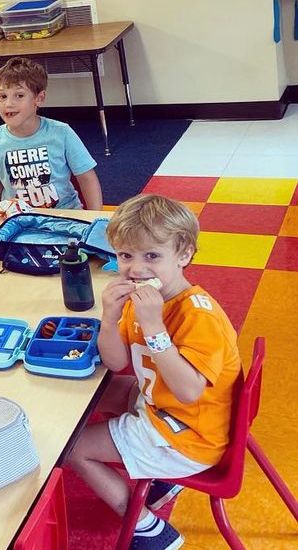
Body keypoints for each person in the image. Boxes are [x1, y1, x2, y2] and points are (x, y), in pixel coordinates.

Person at [66, 194, 240, 550]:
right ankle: (159, 473)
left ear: (184, 255)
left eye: (152, 256)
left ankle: (148, 529)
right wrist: (110, 318)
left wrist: (156, 329)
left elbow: (189, 392)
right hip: (166, 404)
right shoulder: (143, 300)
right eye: (125, 255)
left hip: (190, 433)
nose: (136, 268)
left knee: (71, 448)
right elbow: (115, 363)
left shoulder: (197, 315)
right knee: (100, 390)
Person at [0, 57, 102, 211]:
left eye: (19, 95)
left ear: (39, 98)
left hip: (64, 216)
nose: (8, 104)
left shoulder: (61, 132)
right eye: (3, 96)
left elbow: (87, 177)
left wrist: (96, 219)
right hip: (18, 219)